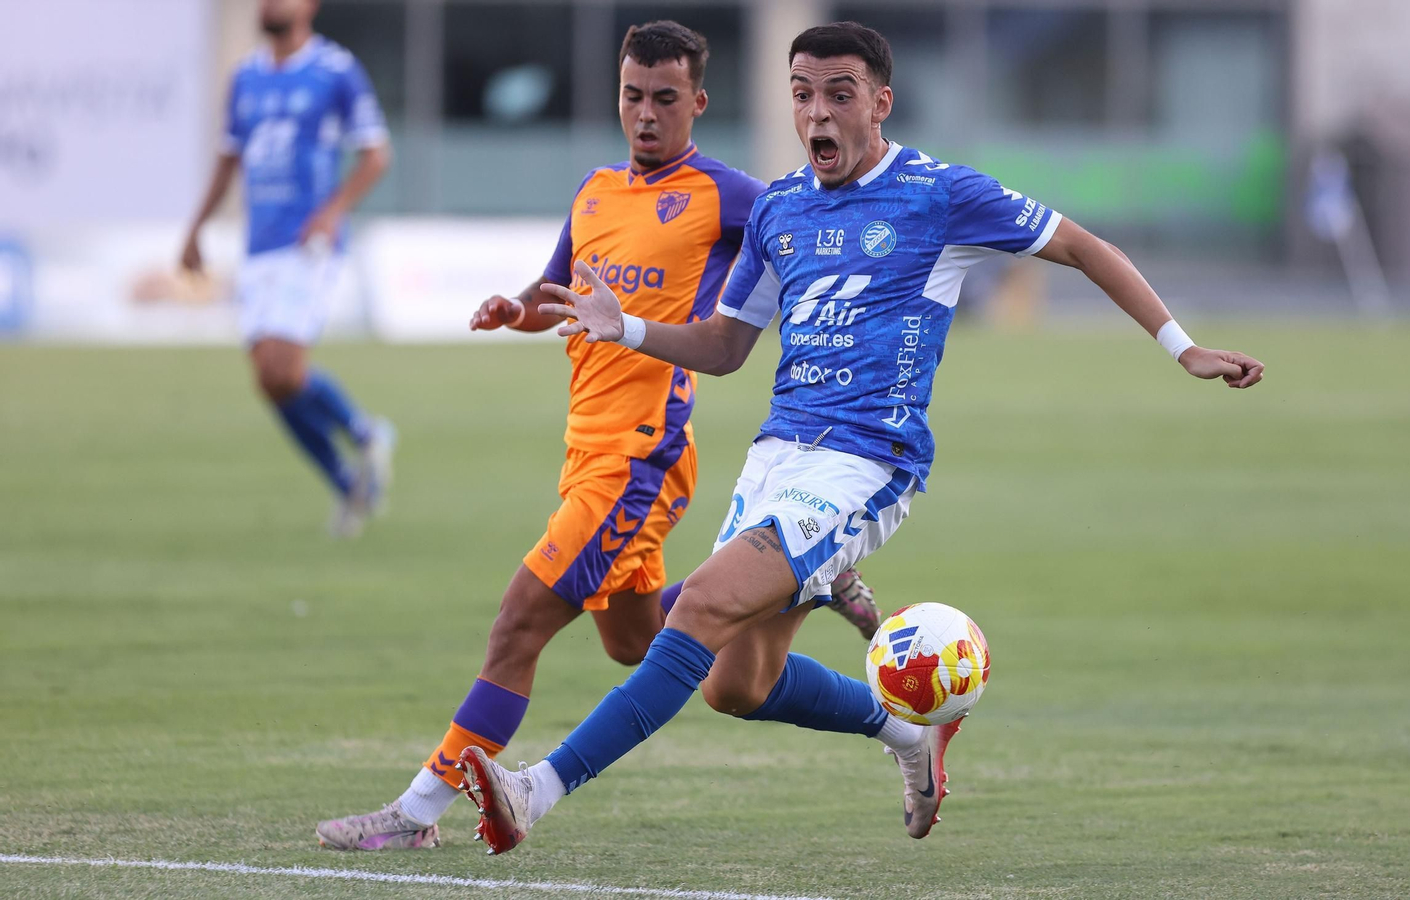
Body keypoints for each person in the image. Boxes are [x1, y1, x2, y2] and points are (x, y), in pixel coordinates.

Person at [456, 21, 1266, 854]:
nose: (817, 113)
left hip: (867, 460)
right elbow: (725, 347)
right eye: (803, 94)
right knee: (735, 685)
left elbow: (1084, 247)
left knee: (694, 610)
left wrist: (1184, 346)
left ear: (880, 102)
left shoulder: (938, 194)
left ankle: (536, 788)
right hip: (778, 459)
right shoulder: (779, 207)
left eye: (838, 95)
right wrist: (624, 326)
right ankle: (912, 735)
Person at [314, 21, 883, 852]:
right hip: (586, 449)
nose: (644, 115)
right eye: (631, 96)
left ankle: (415, 814)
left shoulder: (727, 195)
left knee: (518, 623)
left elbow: (804, 233)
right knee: (637, 643)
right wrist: (519, 309)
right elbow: (556, 288)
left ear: (698, 102)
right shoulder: (595, 190)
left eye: (663, 99)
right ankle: (796, 580)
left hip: (638, 457)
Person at [180, 0, 396, 538]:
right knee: (269, 381)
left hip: (309, 245)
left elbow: (376, 153)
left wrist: (331, 211)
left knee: (285, 369)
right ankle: (346, 480)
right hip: (259, 246)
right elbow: (229, 157)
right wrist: (195, 229)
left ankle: (365, 431)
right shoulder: (246, 76)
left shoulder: (334, 70)